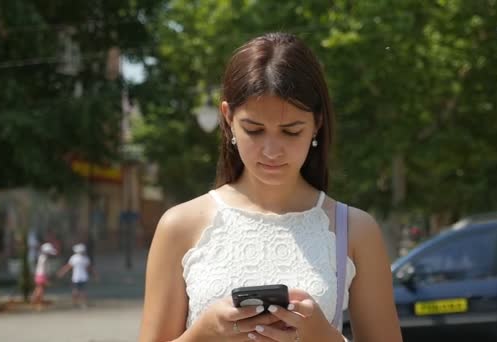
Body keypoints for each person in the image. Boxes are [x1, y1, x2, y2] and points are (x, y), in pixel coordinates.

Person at [139, 32, 402, 342]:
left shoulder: (356, 229)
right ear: (228, 119)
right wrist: (202, 333)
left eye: (291, 131)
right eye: (255, 130)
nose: (272, 151)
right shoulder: (179, 225)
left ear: (317, 123)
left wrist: (325, 337)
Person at [57, 243, 94, 308]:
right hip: (83, 277)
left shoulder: (74, 258)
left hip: (76, 277)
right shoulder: (85, 258)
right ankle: (83, 303)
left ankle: (75, 303)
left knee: (76, 291)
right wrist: (95, 275)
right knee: (82, 291)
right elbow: (89, 268)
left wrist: (62, 272)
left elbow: (68, 267)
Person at [31, 242, 57, 308]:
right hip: (41, 275)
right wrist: (46, 278)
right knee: (40, 290)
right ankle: (39, 303)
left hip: (39, 275)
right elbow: (44, 269)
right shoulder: (44, 258)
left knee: (38, 289)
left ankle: (34, 301)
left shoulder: (41, 257)